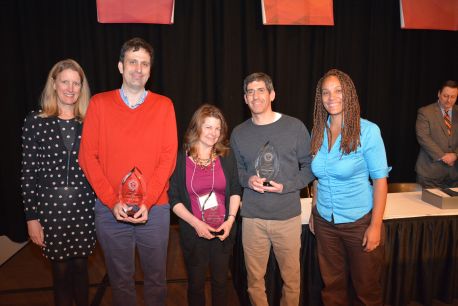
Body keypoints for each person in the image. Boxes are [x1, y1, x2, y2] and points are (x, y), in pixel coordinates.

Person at [78, 37, 178, 306]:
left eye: (144, 63)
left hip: (154, 210)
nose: (138, 68)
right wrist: (112, 202)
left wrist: (147, 201)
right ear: (120, 66)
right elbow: (88, 157)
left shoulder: (164, 105)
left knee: (157, 281)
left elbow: (168, 159)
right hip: (110, 212)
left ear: (150, 70)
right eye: (132, 62)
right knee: (120, 282)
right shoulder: (99, 104)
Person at [230, 72, 314, 306]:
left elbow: (309, 167)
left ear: (272, 94)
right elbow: (236, 171)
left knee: (292, 281)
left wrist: (287, 186)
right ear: (245, 98)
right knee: (254, 282)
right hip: (252, 219)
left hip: (287, 217)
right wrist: (248, 181)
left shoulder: (294, 127)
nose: (255, 96)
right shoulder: (238, 133)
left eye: (260, 90)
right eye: (250, 91)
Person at [309, 69, 390, 306]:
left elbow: (380, 181)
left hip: (359, 222)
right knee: (332, 287)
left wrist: (375, 225)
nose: (331, 97)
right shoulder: (317, 131)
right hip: (325, 221)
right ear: (320, 98)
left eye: (338, 91)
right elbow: (318, 177)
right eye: (326, 92)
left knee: (367, 290)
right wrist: (315, 210)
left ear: (349, 94)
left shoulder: (368, 131)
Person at [21, 59, 96, 306]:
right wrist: (32, 217)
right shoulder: (35, 121)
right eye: (65, 81)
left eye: (76, 83)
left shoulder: (90, 121)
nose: (70, 88)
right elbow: (28, 172)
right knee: (61, 273)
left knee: (81, 269)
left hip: (85, 207)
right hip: (50, 210)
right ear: (54, 84)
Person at [168, 104, 242, 306]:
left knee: (220, 284)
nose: (214, 133)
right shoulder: (181, 158)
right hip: (194, 232)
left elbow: (236, 190)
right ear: (197, 127)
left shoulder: (227, 156)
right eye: (208, 127)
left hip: (223, 231)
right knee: (196, 286)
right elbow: (173, 198)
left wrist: (230, 221)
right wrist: (196, 224)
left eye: (218, 128)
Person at [415, 80, 458, 188]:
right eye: (445, 96)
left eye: (453, 97)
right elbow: (423, 137)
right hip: (430, 173)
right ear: (439, 94)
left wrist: (455, 155)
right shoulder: (425, 112)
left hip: (454, 174)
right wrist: (443, 156)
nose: (449, 100)